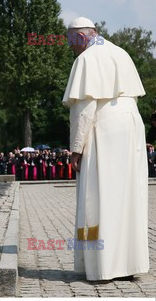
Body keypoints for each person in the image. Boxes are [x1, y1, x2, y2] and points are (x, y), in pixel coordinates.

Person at [63, 17, 149, 281]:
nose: (71, 48)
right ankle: (129, 265)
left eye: (71, 42)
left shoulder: (87, 59)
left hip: (105, 129)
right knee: (129, 196)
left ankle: (103, 268)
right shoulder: (121, 53)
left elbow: (84, 109)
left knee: (98, 196)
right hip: (132, 124)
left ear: (80, 37)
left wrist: (76, 149)